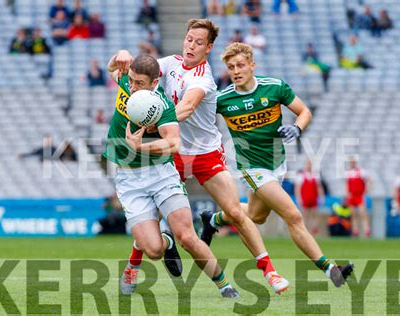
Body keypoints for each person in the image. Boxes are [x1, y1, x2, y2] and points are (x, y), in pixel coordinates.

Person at [114, 19, 289, 295]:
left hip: (206, 153)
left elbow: (186, 107)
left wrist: (152, 124)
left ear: (208, 48)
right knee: (151, 214)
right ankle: (133, 266)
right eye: (189, 39)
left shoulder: (203, 79)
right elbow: (141, 69)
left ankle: (270, 271)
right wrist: (124, 56)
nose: (191, 45)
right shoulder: (169, 63)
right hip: (175, 153)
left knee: (234, 212)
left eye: (198, 42)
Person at [203, 42, 354, 288]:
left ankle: (214, 219)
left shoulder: (275, 87)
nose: (236, 70)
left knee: (255, 217)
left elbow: (304, 111)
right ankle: (330, 270)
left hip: (277, 164)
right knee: (292, 215)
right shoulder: (223, 99)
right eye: (231, 67)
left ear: (253, 65)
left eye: (241, 65)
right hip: (251, 168)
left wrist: (297, 127)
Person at [105, 53, 239, 298]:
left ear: (155, 83)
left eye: (140, 83)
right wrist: (118, 56)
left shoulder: (163, 106)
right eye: (132, 81)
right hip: (129, 180)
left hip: (162, 175)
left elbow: (173, 143)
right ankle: (163, 241)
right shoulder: (127, 82)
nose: (133, 87)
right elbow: (112, 67)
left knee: (187, 237)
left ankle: (224, 285)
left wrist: (140, 147)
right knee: (154, 250)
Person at [295, 160, 325, 235]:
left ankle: (313, 230)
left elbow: (319, 187)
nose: (309, 166)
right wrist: (299, 198)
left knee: (314, 214)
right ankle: (305, 231)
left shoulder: (315, 175)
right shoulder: (301, 176)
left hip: (313, 198)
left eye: (310, 164)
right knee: (305, 215)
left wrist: (321, 197)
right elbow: (297, 188)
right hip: (305, 198)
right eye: (308, 164)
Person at [345, 157, 371, 237]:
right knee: (354, 214)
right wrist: (347, 193)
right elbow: (347, 184)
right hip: (352, 196)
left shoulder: (361, 172)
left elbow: (369, 180)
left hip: (359, 196)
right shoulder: (348, 173)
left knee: (363, 213)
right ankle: (355, 231)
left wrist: (367, 189)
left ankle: (366, 230)